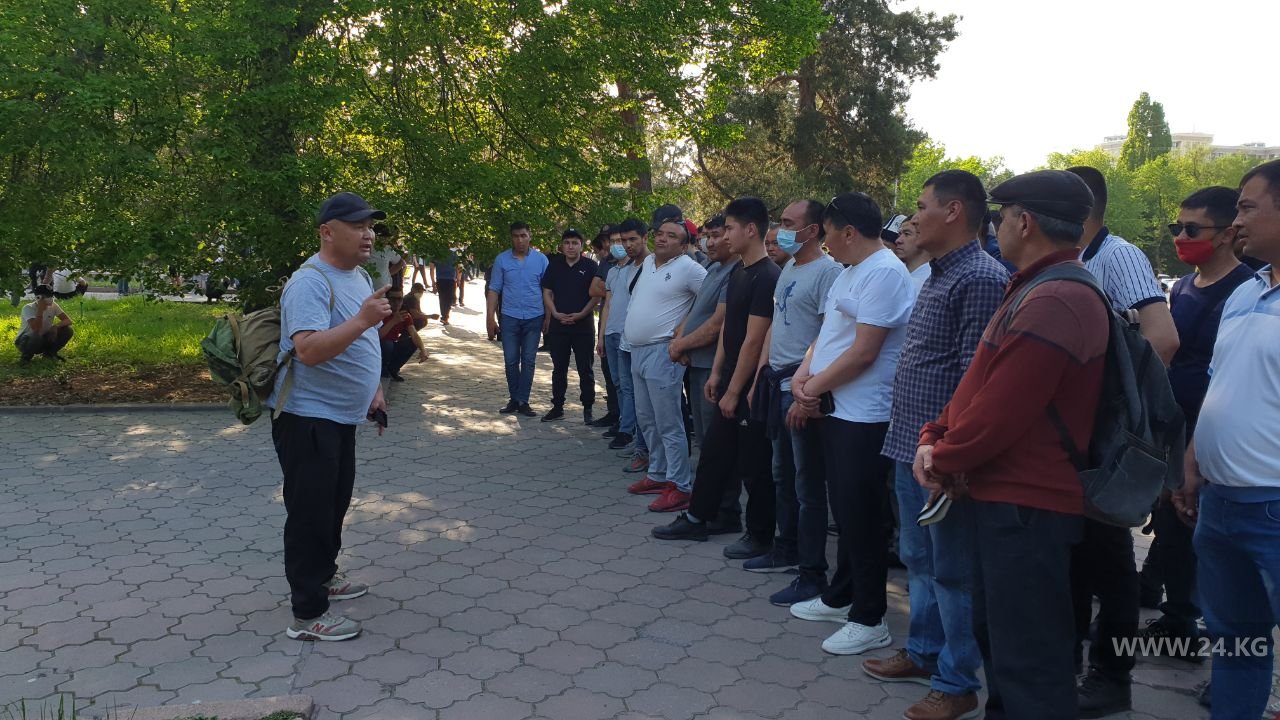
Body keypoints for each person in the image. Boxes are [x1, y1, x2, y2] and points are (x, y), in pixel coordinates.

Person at [916, 171, 1107, 719]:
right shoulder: (1033, 287)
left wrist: (942, 455)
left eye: (1002, 217)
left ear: (1024, 223)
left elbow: (1001, 411)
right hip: (1003, 499)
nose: (995, 227)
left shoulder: (1059, 297)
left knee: (1028, 662)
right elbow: (977, 384)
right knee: (1000, 644)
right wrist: (936, 434)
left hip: (1029, 508)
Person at [868, 170, 1009, 720]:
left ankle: (956, 681)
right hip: (911, 447)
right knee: (920, 561)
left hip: (941, 458)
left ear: (953, 211)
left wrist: (950, 456)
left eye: (921, 206)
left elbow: (975, 381)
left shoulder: (979, 278)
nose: (911, 219)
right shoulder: (938, 273)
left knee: (952, 572)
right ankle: (924, 651)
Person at [1065, 165, 1179, 717]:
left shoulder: (1118, 256)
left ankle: (1112, 678)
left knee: (1110, 561)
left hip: (1109, 442)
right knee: (1075, 556)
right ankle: (1067, 665)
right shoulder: (1072, 260)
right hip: (1074, 442)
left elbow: (1162, 338)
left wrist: (1116, 417)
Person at [782, 192, 913, 657]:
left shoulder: (885, 273)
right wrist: (803, 376)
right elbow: (827, 335)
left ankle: (870, 617)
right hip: (836, 408)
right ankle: (841, 596)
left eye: (829, 232)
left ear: (850, 232)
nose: (825, 241)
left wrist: (812, 389)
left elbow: (864, 352)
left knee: (863, 517)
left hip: (866, 415)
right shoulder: (848, 272)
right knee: (845, 510)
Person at [1173, 159, 1280, 720]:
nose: (1236, 221)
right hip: (1220, 503)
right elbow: (1220, 384)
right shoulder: (1246, 293)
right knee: (1237, 643)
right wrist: (1194, 460)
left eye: (1247, 207)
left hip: (1272, 505)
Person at [265, 191, 394, 642]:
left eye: (369, 226)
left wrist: (373, 389)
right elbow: (307, 350)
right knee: (309, 514)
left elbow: (364, 343)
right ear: (327, 232)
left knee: (334, 503)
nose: (368, 234)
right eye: (357, 226)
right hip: (307, 418)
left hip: (340, 416)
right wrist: (362, 320)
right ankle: (307, 615)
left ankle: (324, 576)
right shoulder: (310, 282)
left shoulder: (357, 275)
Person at [1138, 187, 1254, 658]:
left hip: (1213, 432)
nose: (1181, 238)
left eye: (1192, 229)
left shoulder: (1246, 291)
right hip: (1173, 425)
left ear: (1227, 233)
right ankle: (1177, 617)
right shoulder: (1183, 288)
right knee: (1171, 526)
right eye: (1177, 228)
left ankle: (1204, 631)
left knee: (1200, 531)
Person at [652, 197, 776, 534]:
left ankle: (755, 533)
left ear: (750, 230)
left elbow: (753, 340)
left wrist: (734, 390)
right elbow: (727, 330)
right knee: (713, 452)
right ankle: (703, 516)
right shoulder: (738, 273)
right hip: (724, 377)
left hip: (747, 384)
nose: (721, 237)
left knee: (751, 463)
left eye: (729, 229)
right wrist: (718, 373)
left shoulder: (767, 276)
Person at [749, 199, 842, 605]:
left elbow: (829, 336)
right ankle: (785, 548)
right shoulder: (789, 267)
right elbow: (777, 322)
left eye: (789, 223)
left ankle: (812, 571)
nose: (781, 230)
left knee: (807, 485)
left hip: (802, 390)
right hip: (776, 385)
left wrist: (810, 390)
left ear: (813, 230)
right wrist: (761, 374)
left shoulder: (828, 272)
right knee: (781, 475)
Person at [624, 217, 707, 512]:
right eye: (660, 233)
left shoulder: (690, 268)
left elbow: (711, 301)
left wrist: (685, 328)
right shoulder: (648, 263)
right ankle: (658, 474)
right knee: (647, 419)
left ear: (684, 246)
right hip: (637, 351)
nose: (662, 239)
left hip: (663, 352)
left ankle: (680, 485)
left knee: (668, 422)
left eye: (671, 236)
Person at [667, 214, 742, 532]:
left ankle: (721, 512)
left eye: (717, 234)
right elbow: (697, 310)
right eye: (706, 235)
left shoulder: (736, 272)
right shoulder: (713, 267)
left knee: (717, 446)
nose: (709, 242)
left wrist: (682, 344)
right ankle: (708, 506)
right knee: (705, 442)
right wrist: (681, 339)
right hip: (696, 364)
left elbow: (717, 324)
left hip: (714, 369)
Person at [598, 221, 652, 469]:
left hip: (634, 338)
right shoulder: (614, 271)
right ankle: (628, 429)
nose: (622, 245)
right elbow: (607, 304)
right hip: (614, 335)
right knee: (619, 384)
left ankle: (630, 432)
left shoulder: (646, 267)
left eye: (627, 240)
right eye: (617, 241)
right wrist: (601, 335)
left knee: (633, 389)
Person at [487, 222, 550, 417]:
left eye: (523, 235)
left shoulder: (541, 260)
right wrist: (490, 318)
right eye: (516, 236)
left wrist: (548, 316)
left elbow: (547, 290)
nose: (520, 240)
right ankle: (514, 398)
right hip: (510, 317)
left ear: (530, 236)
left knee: (529, 360)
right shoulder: (502, 260)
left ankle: (523, 400)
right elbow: (494, 289)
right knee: (510, 360)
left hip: (534, 316)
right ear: (511, 238)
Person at [541, 228, 600, 423]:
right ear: (562, 245)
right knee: (559, 368)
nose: (571, 246)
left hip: (583, 326)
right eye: (567, 243)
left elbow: (597, 295)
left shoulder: (591, 266)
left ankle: (588, 407)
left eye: (575, 243)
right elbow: (547, 292)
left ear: (581, 246)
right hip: (559, 326)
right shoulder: (554, 266)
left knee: (585, 369)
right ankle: (557, 406)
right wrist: (554, 313)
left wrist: (582, 313)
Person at [588, 226, 621, 429]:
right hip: (606, 326)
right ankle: (613, 412)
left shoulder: (637, 263)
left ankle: (626, 420)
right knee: (609, 373)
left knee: (624, 380)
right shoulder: (607, 263)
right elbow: (593, 289)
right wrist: (613, 290)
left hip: (625, 330)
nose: (610, 245)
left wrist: (611, 290)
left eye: (614, 240)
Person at [16, 284, 74, 365]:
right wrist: (40, 310)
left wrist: (55, 327)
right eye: (47, 296)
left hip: (42, 338)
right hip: (25, 340)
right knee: (36, 335)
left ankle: (49, 354)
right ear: (38, 297)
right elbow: (36, 328)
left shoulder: (54, 306)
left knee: (68, 330)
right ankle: (25, 359)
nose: (51, 298)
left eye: (51, 295)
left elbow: (68, 320)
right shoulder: (28, 308)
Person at [379, 286, 428, 381]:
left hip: (393, 344)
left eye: (399, 299)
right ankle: (383, 369)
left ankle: (393, 368)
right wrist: (393, 321)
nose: (396, 302)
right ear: (387, 300)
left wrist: (423, 349)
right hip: (380, 346)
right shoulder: (381, 313)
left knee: (412, 342)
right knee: (387, 344)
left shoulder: (405, 315)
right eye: (393, 299)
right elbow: (378, 336)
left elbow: (414, 333)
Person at [893, 215, 933, 292]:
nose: (898, 240)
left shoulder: (932, 280)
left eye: (907, 234)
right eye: (899, 234)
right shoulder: (893, 273)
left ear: (924, 238)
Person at [430, 247, 461, 325]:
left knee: (442, 298)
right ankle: (445, 317)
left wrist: (433, 281)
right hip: (450, 279)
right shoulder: (453, 254)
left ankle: (444, 316)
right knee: (448, 298)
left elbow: (431, 268)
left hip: (441, 279)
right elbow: (459, 267)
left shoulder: (437, 254)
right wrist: (458, 279)